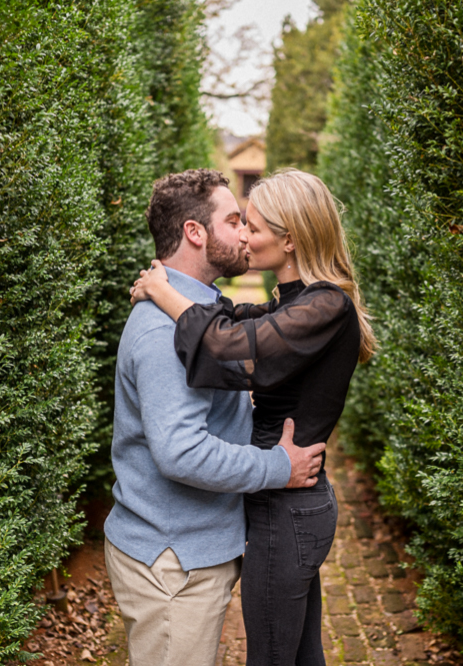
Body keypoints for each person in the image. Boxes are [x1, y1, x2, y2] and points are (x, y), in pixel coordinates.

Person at [130, 168, 377, 666]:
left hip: (289, 505)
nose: (244, 235)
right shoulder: (299, 303)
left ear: (290, 240)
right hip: (284, 503)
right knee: (300, 655)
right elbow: (235, 321)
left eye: (254, 227)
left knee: (270, 656)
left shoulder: (324, 306)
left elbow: (225, 345)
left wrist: (165, 293)